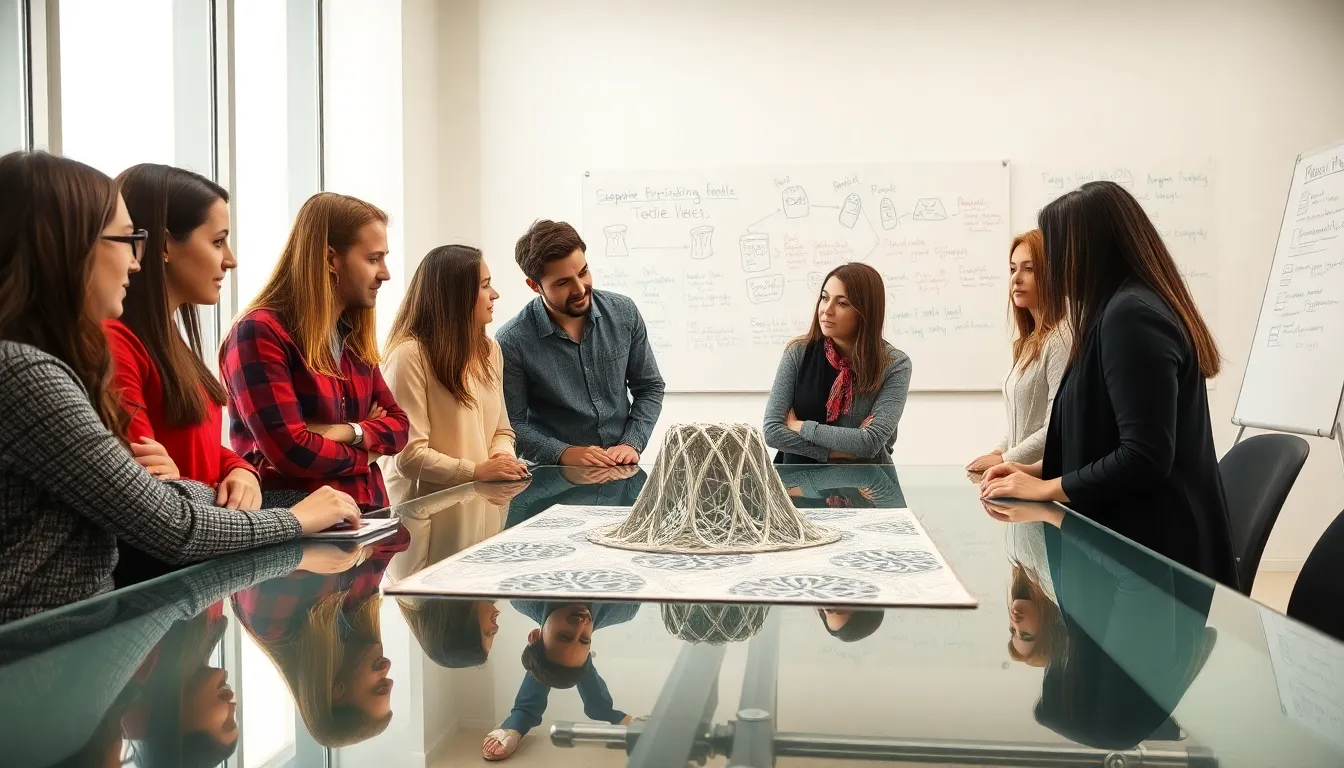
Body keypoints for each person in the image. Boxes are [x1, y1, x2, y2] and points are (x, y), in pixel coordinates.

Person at [0, 150, 359, 624]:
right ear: (66, 247)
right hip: (44, 656)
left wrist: (212, 482)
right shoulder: (27, 375)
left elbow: (164, 500)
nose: (134, 263)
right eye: (126, 241)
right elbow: (166, 523)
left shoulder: (44, 366)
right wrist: (296, 519)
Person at [981, 181, 1237, 586]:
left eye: (1058, 250)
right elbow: (1103, 436)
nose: (1054, 264)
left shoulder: (1130, 315)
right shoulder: (1112, 311)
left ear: (1087, 250)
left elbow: (1144, 456)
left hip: (1152, 565)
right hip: (1131, 550)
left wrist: (1046, 489)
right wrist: (1035, 469)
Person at [105, 163, 264, 584]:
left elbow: (195, 448)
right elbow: (152, 496)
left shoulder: (169, 341)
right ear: (163, 246)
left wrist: (239, 469)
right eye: (218, 242)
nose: (230, 260)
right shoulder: (117, 342)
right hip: (158, 584)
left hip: (196, 578)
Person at [220, 192, 410, 511]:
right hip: (298, 540)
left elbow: (400, 427)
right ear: (330, 259)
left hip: (368, 526)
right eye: (373, 259)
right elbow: (293, 453)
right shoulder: (259, 332)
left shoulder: (353, 336)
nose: (385, 273)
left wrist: (343, 432)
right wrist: (369, 445)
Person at [497, 219, 665, 467]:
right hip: (551, 481)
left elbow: (649, 387)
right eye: (563, 283)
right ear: (535, 286)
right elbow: (511, 426)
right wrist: (564, 453)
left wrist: (632, 442)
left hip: (620, 475)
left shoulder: (624, 313)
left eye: (583, 272)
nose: (580, 288)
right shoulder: (512, 341)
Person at [231, 530, 409, 747]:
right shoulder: (354, 613)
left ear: (336, 692)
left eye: (379, 686)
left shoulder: (272, 624)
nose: (387, 666)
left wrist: (359, 548)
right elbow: (396, 535)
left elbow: (311, 531)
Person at [381, 245, 528, 503]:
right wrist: (477, 471)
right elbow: (408, 456)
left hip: (483, 505)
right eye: (484, 286)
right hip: (424, 512)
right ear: (456, 297)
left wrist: (502, 458)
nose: (494, 294)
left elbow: (502, 431)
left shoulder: (490, 350)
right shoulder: (409, 356)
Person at [763, 262, 912, 464]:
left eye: (842, 303)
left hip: (867, 486)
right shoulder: (798, 353)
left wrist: (800, 426)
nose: (827, 310)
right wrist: (838, 452)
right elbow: (773, 432)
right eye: (825, 298)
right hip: (800, 483)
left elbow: (870, 442)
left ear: (865, 312)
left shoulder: (894, 364)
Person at [967, 230, 1072, 473]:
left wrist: (1004, 460)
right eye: (1013, 269)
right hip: (1018, 475)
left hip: (1044, 478)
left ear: (1051, 275)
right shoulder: (1026, 343)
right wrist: (999, 451)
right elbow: (1023, 420)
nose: (1016, 278)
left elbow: (1055, 426)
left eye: (1029, 269)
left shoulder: (1061, 340)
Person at [482, 600, 640, 761]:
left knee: (556, 660)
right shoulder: (624, 608)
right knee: (558, 659)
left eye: (564, 636)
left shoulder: (521, 598)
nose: (580, 624)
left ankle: (523, 715)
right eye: (585, 639)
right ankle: (599, 708)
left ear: (535, 635)